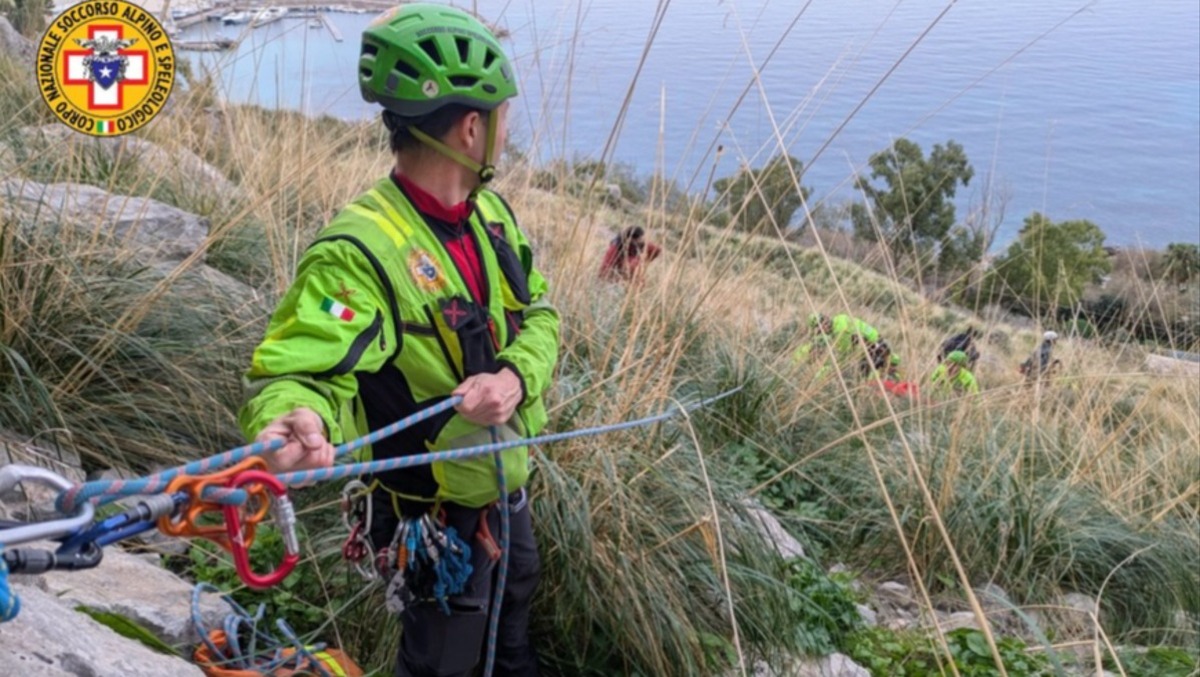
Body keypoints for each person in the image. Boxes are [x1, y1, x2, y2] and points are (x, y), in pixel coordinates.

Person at [237, 5, 559, 675]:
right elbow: (306, 371)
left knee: (513, 635)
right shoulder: (359, 252)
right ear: (473, 128)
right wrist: (291, 419)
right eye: (501, 115)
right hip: (437, 526)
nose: (505, 129)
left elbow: (542, 315)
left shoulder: (490, 216)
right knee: (442, 660)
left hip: (509, 500)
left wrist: (515, 378)